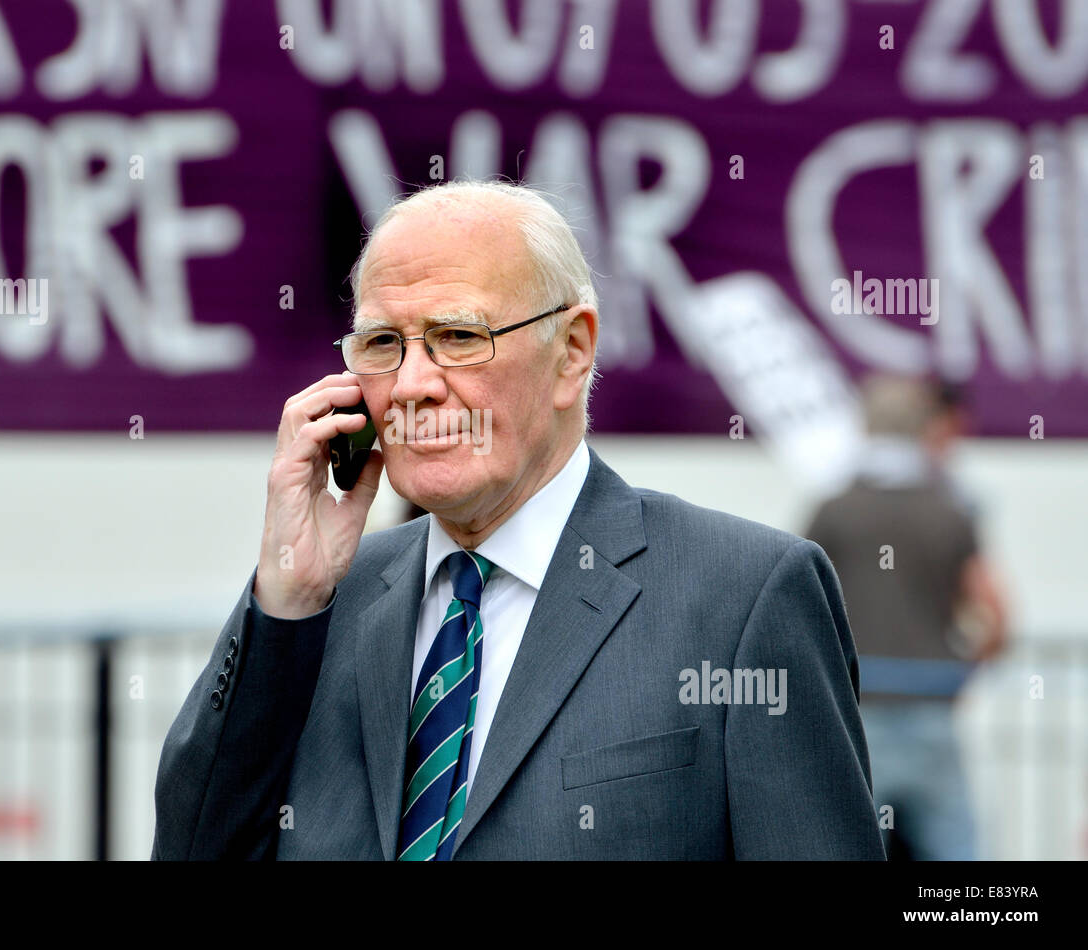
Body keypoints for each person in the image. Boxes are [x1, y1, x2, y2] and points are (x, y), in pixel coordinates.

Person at [151, 180, 885, 860]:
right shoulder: (322, 605)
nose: (412, 385)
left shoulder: (743, 595)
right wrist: (286, 605)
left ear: (571, 351)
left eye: (459, 337)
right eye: (382, 345)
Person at [804, 375, 1008, 860]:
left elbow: (800, 608)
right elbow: (997, 615)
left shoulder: (835, 510)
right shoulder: (949, 510)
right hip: (931, 703)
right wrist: (963, 673)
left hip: (857, 712)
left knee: (849, 843)